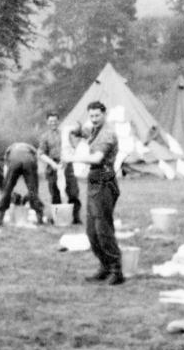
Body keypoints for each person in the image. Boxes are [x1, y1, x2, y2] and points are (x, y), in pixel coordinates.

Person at [63, 101, 124, 285]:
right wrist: (74, 129)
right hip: (94, 179)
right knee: (91, 229)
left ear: (104, 114)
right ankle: (104, 266)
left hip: (105, 178)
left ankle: (116, 269)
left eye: (97, 115)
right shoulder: (94, 130)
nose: (94, 119)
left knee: (102, 227)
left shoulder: (108, 133)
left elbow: (97, 158)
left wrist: (71, 158)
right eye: (91, 116)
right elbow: (80, 131)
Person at [38, 112, 81, 225]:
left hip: (66, 165)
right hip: (53, 166)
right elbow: (41, 153)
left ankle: (76, 218)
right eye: (51, 121)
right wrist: (52, 163)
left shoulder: (65, 134)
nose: (53, 123)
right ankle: (57, 218)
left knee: (73, 191)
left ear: (58, 121)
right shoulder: (44, 136)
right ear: (47, 122)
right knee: (55, 193)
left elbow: (72, 148)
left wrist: (66, 159)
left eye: (55, 121)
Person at [0, 142, 45, 226]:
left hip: (14, 160)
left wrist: (7, 185)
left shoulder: (10, 148)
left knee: (7, 190)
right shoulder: (31, 148)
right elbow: (36, 163)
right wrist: (32, 189)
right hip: (29, 161)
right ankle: (39, 217)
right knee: (33, 190)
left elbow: (6, 168)